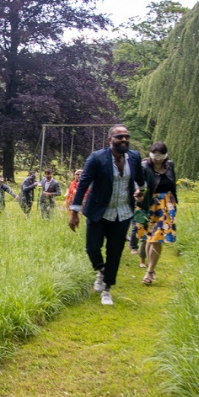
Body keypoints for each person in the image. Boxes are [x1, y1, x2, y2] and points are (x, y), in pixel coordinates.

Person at [68, 125, 144, 306]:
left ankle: (107, 289)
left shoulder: (134, 157)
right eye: (119, 137)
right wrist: (74, 212)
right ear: (110, 140)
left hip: (123, 213)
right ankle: (102, 271)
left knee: (114, 252)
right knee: (92, 248)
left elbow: (141, 181)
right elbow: (83, 184)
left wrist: (141, 192)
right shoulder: (97, 158)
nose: (124, 140)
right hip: (98, 212)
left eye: (127, 137)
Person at [137, 142, 178, 285]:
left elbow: (173, 185)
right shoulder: (145, 167)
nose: (158, 159)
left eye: (161, 155)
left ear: (165, 155)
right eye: (155, 155)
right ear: (151, 154)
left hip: (166, 205)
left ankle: (149, 272)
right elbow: (139, 184)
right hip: (149, 204)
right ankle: (151, 269)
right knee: (149, 238)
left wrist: (172, 203)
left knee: (157, 238)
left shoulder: (170, 166)